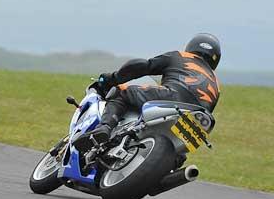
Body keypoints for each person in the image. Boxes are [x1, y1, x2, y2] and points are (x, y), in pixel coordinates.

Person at [74, 33, 222, 151]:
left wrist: (113, 78)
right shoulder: (216, 82)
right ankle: (174, 162)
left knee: (122, 91)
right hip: (198, 119)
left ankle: (104, 128)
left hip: (172, 98)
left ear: (191, 47)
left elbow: (143, 66)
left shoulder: (182, 56)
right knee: (180, 154)